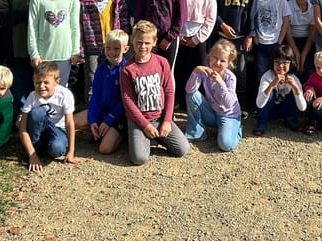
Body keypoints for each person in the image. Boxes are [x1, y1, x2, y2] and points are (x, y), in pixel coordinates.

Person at [120, 21, 190, 163]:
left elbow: (169, 92)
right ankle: (140, 135)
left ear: (154, 42)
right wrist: (145, 125)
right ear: (132, 40)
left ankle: (157, 136)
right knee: (139, 159)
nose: (143, 46)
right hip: (139, 121)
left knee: (182, 149)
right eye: (139, 42)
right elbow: (128, 101)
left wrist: (167, 121)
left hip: (160, 117)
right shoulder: (127, 69)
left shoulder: (162, 62)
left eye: (147, 43)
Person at [211, 0, 257, 109]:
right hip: (223, 35)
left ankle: (240, 103)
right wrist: (222, 24)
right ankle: (220, 100)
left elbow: (252, 12)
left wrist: (250, 35)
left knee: (240, 71)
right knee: (221, 67)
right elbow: (213, 10)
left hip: (241, 36)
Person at [79, 0, 130, 102]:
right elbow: (79, 26)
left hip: (114, 45)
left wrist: (124, 43)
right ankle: (92, 109)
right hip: (92, 46)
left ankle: (113, 106)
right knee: (92, 78)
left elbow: (124, 23)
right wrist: (80, 49)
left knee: (115, 76)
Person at [27, 0, 81, 89]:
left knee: (60, 90)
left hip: (64, 55)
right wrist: (34, 54)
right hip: (44, 55)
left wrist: (75, 51)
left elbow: (74, 27)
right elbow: (32, 28)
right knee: (44, 89)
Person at [73, 29, 129, 155]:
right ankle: (97, 128)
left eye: (116, 49)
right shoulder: (101, 68)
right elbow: (96, 95)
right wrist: (93, 119)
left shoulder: (126, 70)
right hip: (102, 111)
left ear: (125, 49)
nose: (111, 52)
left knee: (104, 149)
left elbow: (124, 102)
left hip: (118, 116)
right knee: (71, 122)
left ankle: (121, 134)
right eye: (108, 48)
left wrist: (109, 120)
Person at [19, 62, 80, 172]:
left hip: (57, 128)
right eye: (38, 82)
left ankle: (44, 147)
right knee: (37, 113)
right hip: (38, 127)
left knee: (57, 149)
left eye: (46, 82)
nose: (41, 86)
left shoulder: (65, 94)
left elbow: (69, 123)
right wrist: (32, 155)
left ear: (57, 82)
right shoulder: (32, 96)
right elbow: (22, 128)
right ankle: (34, 149)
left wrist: (71, 152)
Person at [184, 39, 243, 152]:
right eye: (215, 58)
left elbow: (228, 104)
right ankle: (196, 132)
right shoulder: (205, 72)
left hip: (228, 116)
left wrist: (220, 83)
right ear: (209, 56)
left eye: (223, 61)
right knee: (191, 95)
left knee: (225, 145)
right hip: (213, 113)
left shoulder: (230, 77)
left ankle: (237, 130)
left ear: (228, 63)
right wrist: (195, 71)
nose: (217, 63)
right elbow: (189, 90)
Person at [176, 0, 217, 109]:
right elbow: (175, 13)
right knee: (180, 69)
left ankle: (201, 101)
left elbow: (210, 20)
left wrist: (196, 39)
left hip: (199, 38)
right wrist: (179, 35)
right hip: (181, 36)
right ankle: (180, 100)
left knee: (201, 69)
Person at [254, 44, 307, 136]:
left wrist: (295, 88)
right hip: (270, 110)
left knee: (294, 92)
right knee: (268, 92)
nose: (281, 66)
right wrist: (272, 85)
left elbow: (302, 108)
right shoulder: (267, 76)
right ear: (272, 62)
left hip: (284, 110)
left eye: (285, 62)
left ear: (291, 63)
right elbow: (259, 104)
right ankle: (262, 122)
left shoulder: (293, 78)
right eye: (277, 62)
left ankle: (291, 119)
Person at [252, 0, 290, 86]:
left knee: (277, 72)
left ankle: (276, 93)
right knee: (261, 72)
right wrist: (255, 36)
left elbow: (286, 21)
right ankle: (263, 94)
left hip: (275, 43)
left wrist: (280, 39)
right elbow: (252, 19)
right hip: (260, 42)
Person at [285, 0, 316, 79]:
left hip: (308, 42)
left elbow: (312, 35)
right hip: (292, 41)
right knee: (294, 68)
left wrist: (303, 55)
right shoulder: (288, 5)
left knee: (309, 69)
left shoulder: (313, 7)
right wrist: (297, 54)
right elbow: (287, 34)